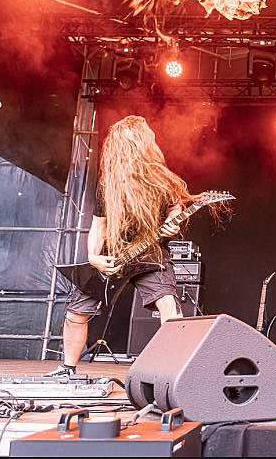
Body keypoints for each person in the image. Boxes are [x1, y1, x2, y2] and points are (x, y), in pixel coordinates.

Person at [47, 115, 197, 377]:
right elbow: (99, 226)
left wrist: (172, 223)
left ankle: (176, 370)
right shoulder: (108, 184)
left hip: (150, 254)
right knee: (76, 313)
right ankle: (67, 369)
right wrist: (93, 257)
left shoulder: (163, 180)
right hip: (115, 256)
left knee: (168, 305)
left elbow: (175, 207)